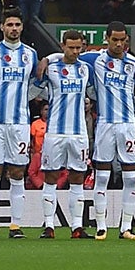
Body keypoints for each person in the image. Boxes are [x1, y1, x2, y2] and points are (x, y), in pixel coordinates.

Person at [0, 11, 40, 238]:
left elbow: (37, 84)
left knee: (17, 172)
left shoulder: (30, 54)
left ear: (22, 28)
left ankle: (15, 225)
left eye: (17, 24)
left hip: (20, 123)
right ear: (2, 27)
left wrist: (23, 99)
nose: (13, 28)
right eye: (9, 24)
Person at [88, 25, 135, 240]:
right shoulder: (95, 59)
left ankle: (126, 227)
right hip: (105, 124)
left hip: (127, 125)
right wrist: (48, 60)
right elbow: (69, 53)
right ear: (107, 39)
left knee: (131, 177)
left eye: (122, 40)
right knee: (102, 176)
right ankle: (101, 226)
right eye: (114, 39)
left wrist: (126, 107)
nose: (118, 44)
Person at [36, 30, 95, 239]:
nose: (75, 51)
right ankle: (49, 226)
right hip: (55, 133)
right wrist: (46, 58)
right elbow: (36, 91)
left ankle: (77, 227)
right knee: (51, 177)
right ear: (63, 46)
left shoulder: (86, 69)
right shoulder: (51, 68)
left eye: (79, 47)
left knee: (78, 177)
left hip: (79, 133)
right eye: (71, 47)